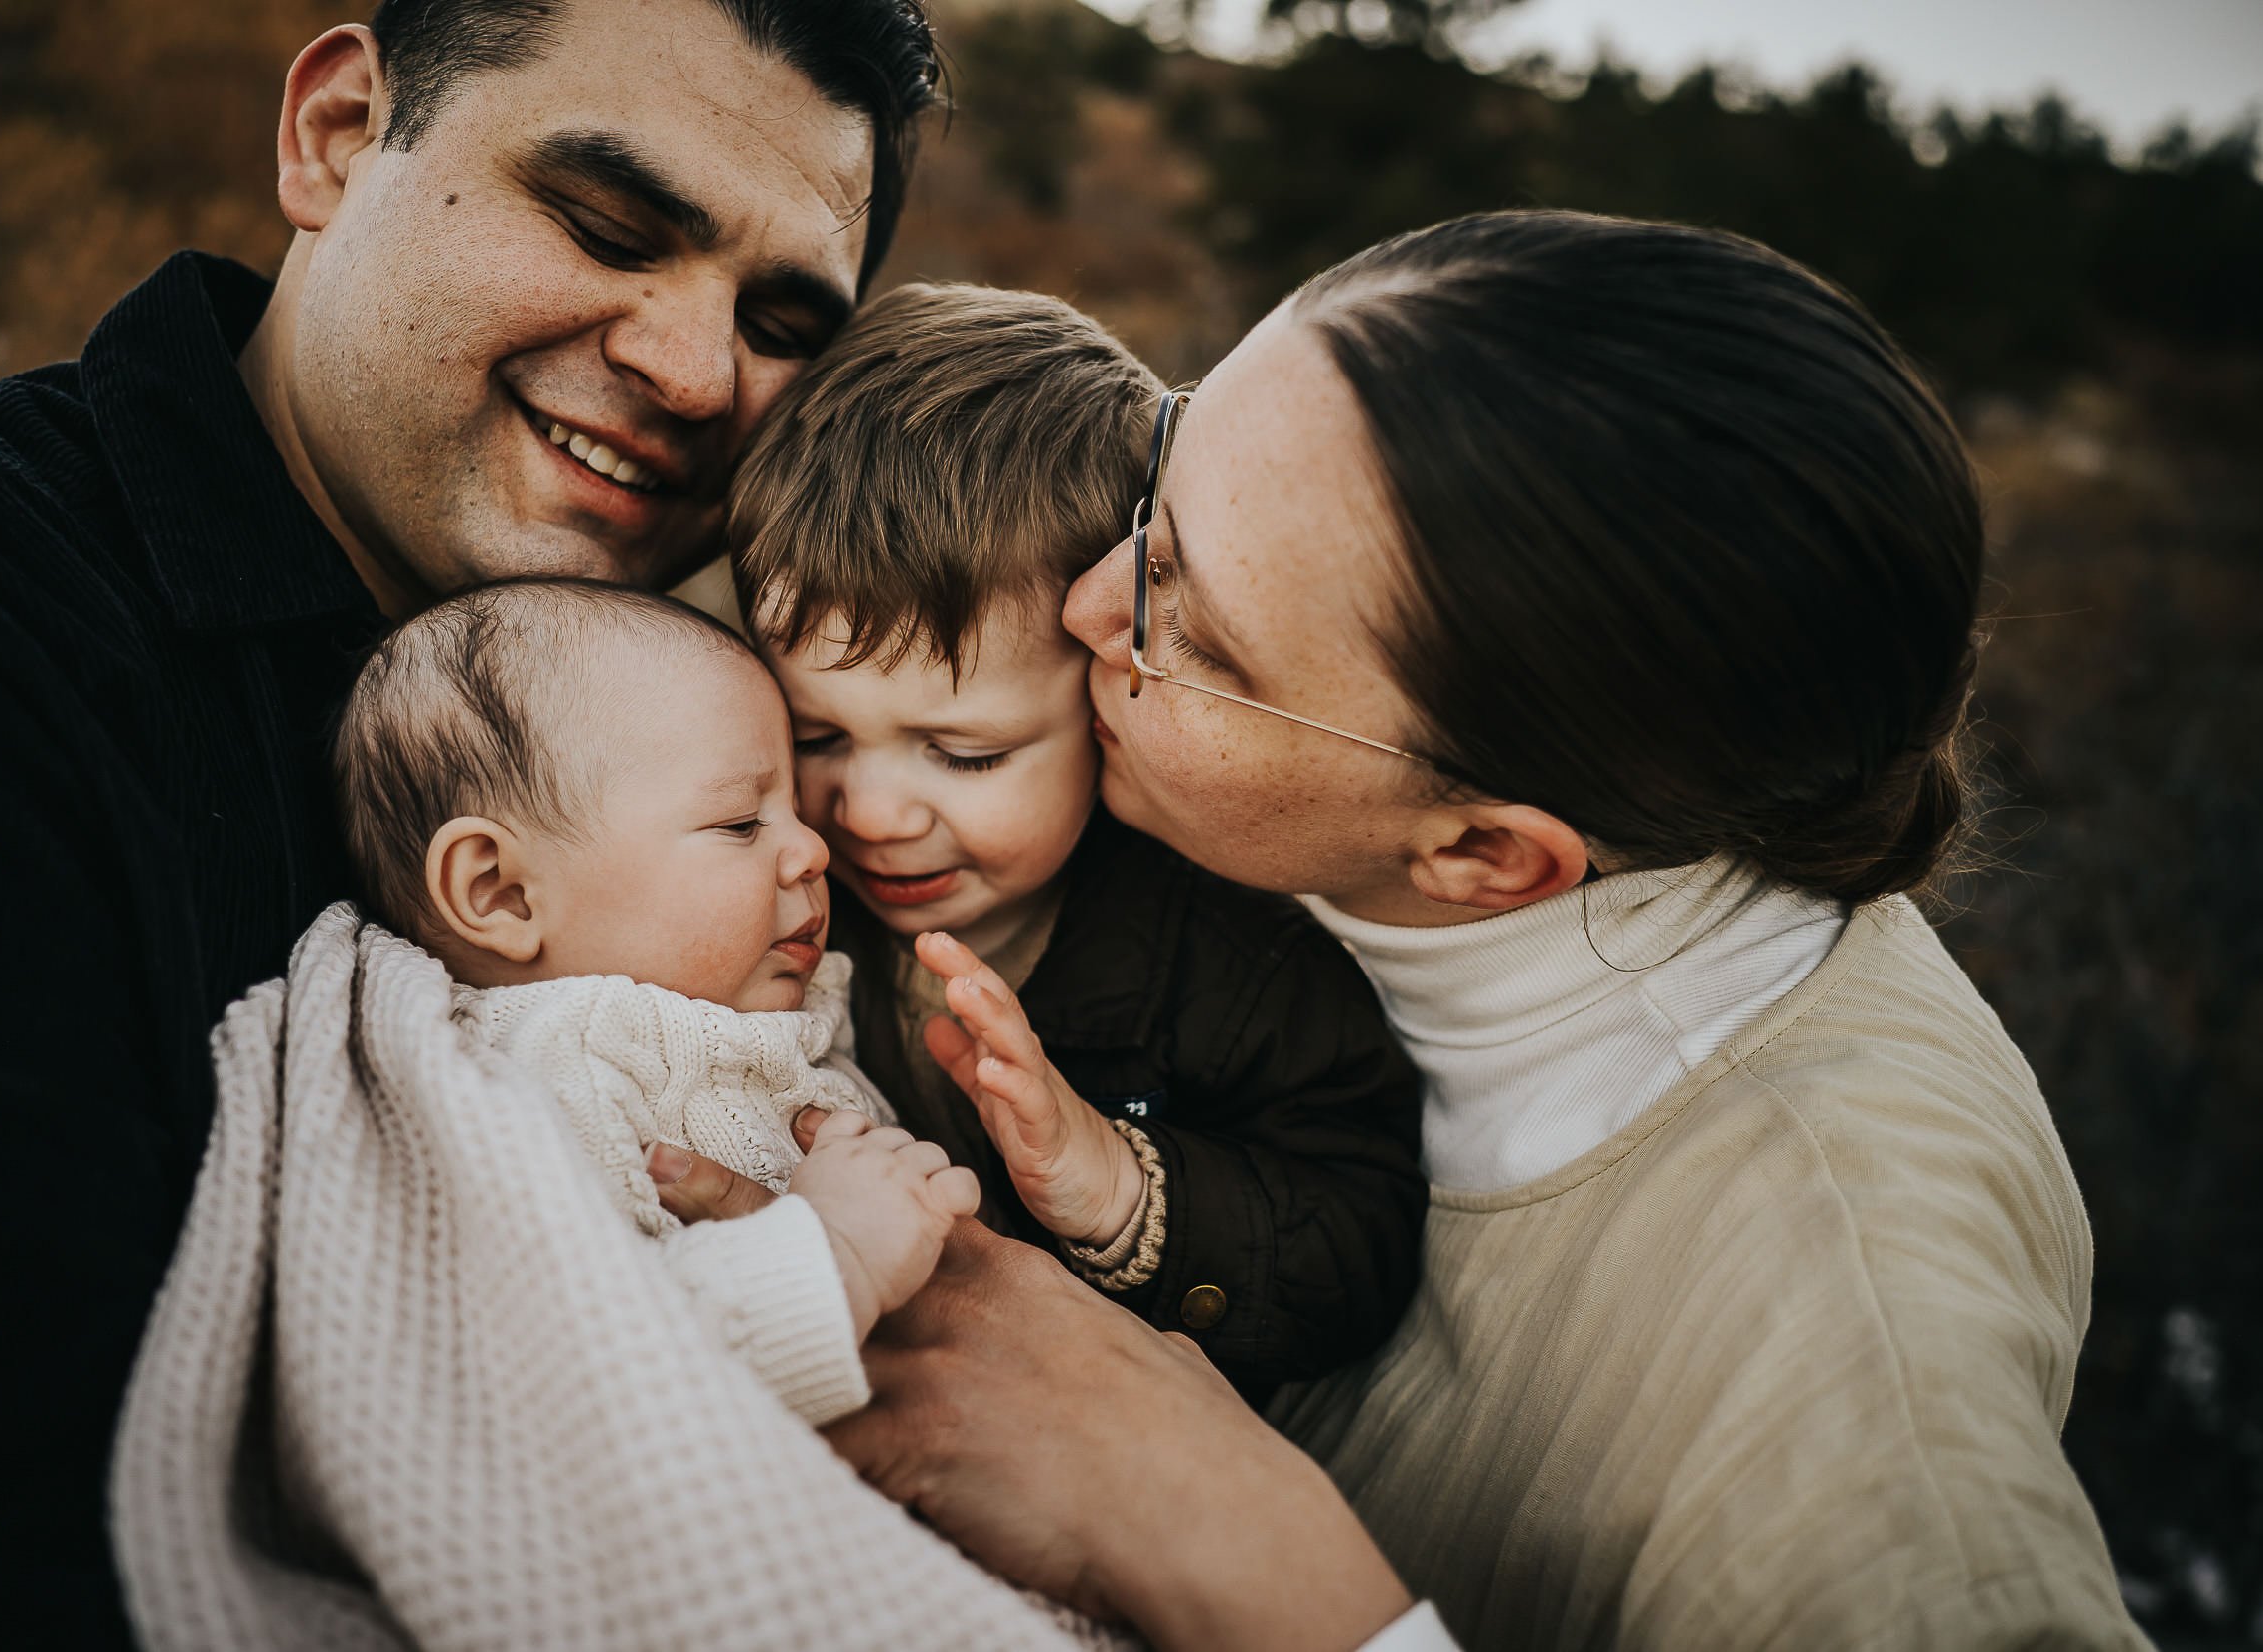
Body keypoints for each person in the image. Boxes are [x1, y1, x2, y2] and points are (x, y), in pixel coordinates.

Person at [657, 211, 2151, 1649]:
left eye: (1192, 619)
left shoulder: (1846, 1333)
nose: (1093, 597)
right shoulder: (1308, 676)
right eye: (1166, 483)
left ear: (1486, 853)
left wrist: (1216, 1527)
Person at [0, 0, 938, 1638]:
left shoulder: (800, 751)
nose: (694, 369)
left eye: (780, 317)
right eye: (608, 223)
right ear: (334, 133)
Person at [726, 281, 1427, 1395]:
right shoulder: (759, 885)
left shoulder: (1230, 958)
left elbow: (1360, 1244)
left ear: (1108, 692)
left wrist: (1117, 1188)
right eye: (816, 732)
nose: (868, 813)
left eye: (964, 755)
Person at [335, 577, 977, 1422]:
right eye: (742, 823)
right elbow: (577, 1377)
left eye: (792, 807)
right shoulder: (547, 1086)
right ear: (501, 892)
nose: (814, 848)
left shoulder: (764, 1008)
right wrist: (836, 1255)